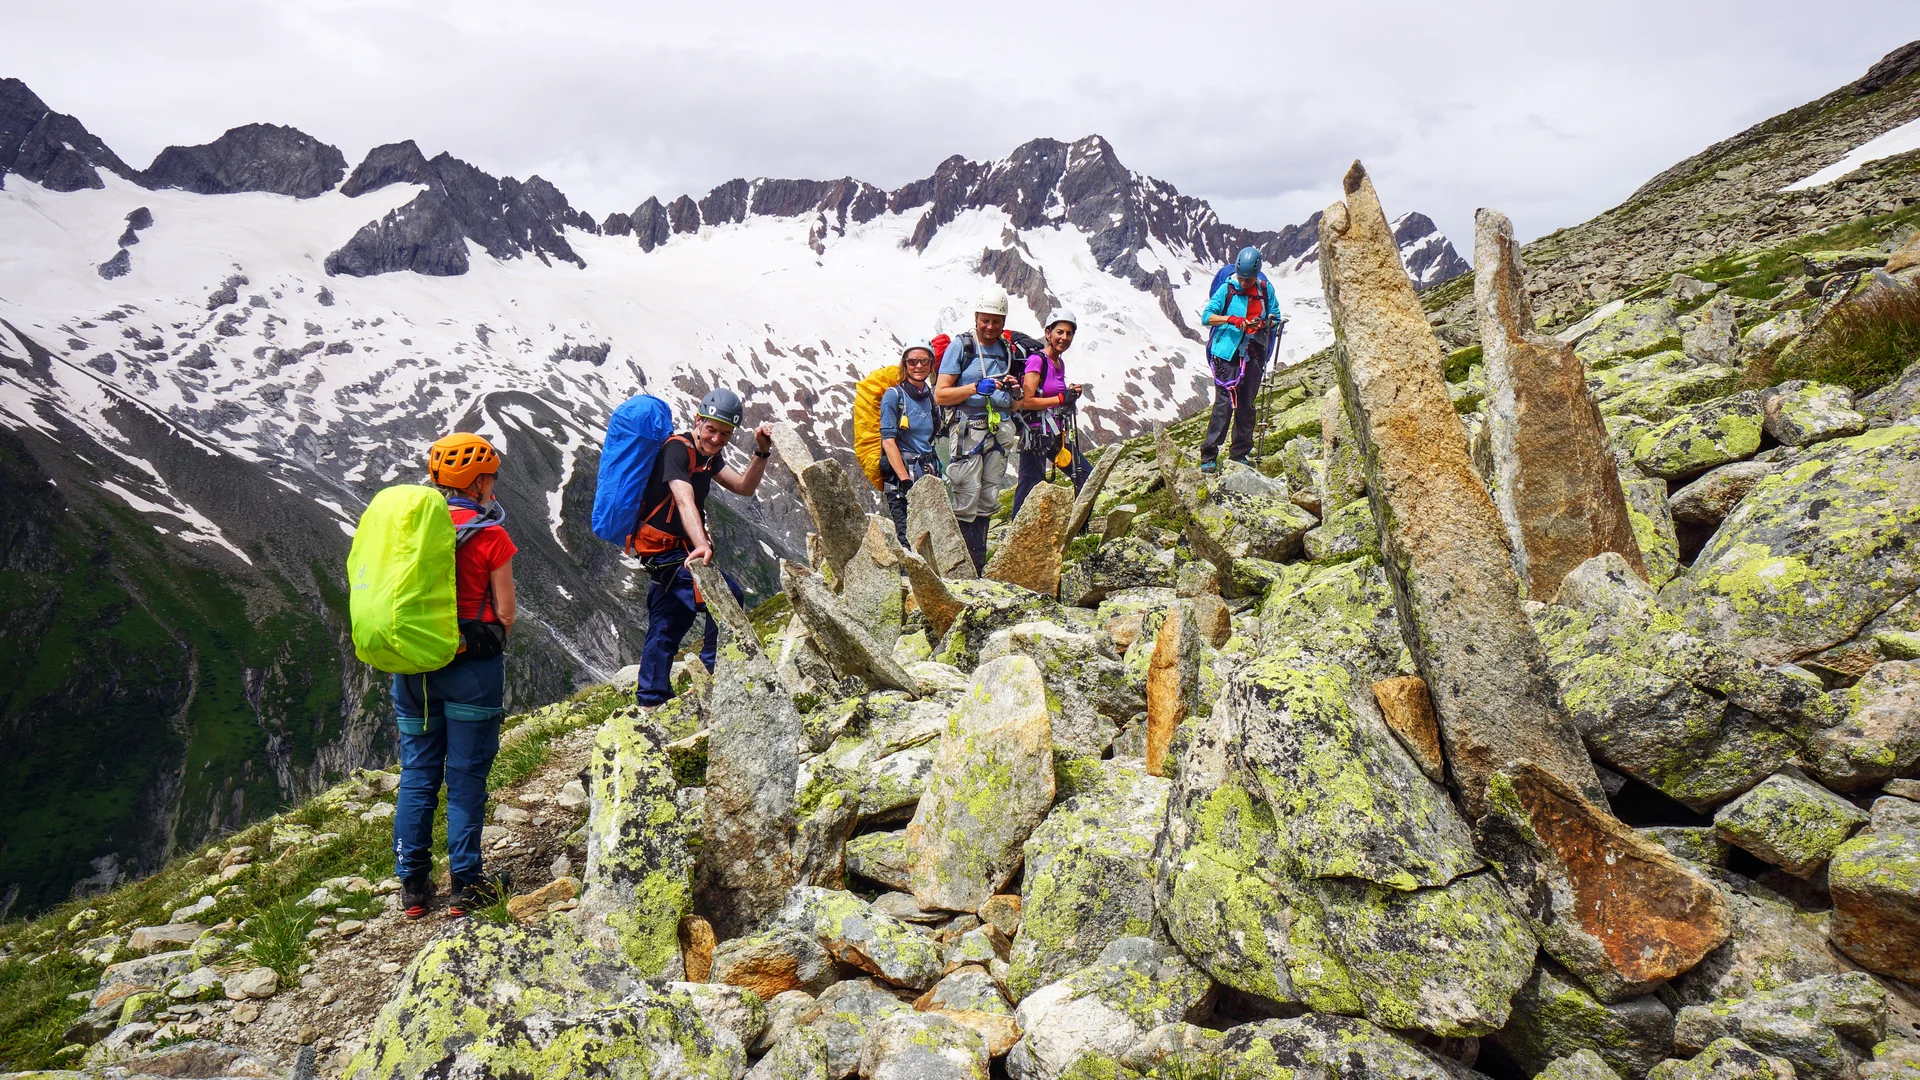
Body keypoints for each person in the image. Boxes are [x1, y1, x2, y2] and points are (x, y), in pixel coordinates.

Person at [395, 432, 516, 920]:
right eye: (490, 476)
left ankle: (413, 887)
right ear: (479, 480)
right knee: (466, 777)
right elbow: (505, 615)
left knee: (418, 775)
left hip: (413, 673)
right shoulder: (491, 536)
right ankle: (466, 885)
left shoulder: (413, 529)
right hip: (472, 674)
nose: (493, 485)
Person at [631, 387, 771, 708]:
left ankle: (651, 698)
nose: (717, 439)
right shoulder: (676, 451)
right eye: (711, 430)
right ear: (698, 420)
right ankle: (712, 671)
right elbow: (684, 500)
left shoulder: (708, 457)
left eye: (725, 434)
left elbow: (743, 487)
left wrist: (761, 453)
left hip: (673, 549)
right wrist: (701, 546)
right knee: (726, 596)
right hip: (666, 549)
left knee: (670, 620)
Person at [934, 287, 1021, 571]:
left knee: (988, 496)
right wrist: (974, 388)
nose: (990, 326)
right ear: (976, 317)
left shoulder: (1007, 350)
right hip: (968, 429)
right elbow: (940, 395)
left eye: (996, 321)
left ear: (1004, 322)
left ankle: (978, 563)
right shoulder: (962, 346)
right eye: (986, 319)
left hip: (999, 428)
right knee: (966, 493)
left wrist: (1015, 392)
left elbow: (1015, 405)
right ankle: (959, 567)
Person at [1199, 246, 1284, 472]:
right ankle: (1209, 455)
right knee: (1224, 404)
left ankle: (1240, 454)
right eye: (1241, 278)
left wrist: (1263, 323)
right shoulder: (1227, 288)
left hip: (1254, 352)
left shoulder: (1266, 291)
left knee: (1246, 405)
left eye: (1248, 279)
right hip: (1227, 355)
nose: (1244, 282)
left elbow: (1276, 317)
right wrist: (1231, 319)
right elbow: (1206, 317)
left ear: (1256, 275)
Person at [1011, 308, 1091, 518]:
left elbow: (1054, 396)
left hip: (1054, 434)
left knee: (1084, 475)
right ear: (1048, 334)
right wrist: (1060, 399)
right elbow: (1025, 402)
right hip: (1036, 436)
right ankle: (1014, 541)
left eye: (1069, 333)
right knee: (1029, 487)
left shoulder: (1059, 362)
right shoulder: (1038, 360)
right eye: (1059, 332)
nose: (1064, 337)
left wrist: (1069, 394)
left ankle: (1077, 529)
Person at [879, 342, 940, 546]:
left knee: (930, 535)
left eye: (924, 361)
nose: (919, 366)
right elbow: (888, 441)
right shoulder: (893, 396)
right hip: (901, 479)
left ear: (931, 364)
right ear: (905, 364)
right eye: (913, 361)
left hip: (927, 473)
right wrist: (905, 481)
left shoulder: (929, 397)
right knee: (907, 536)